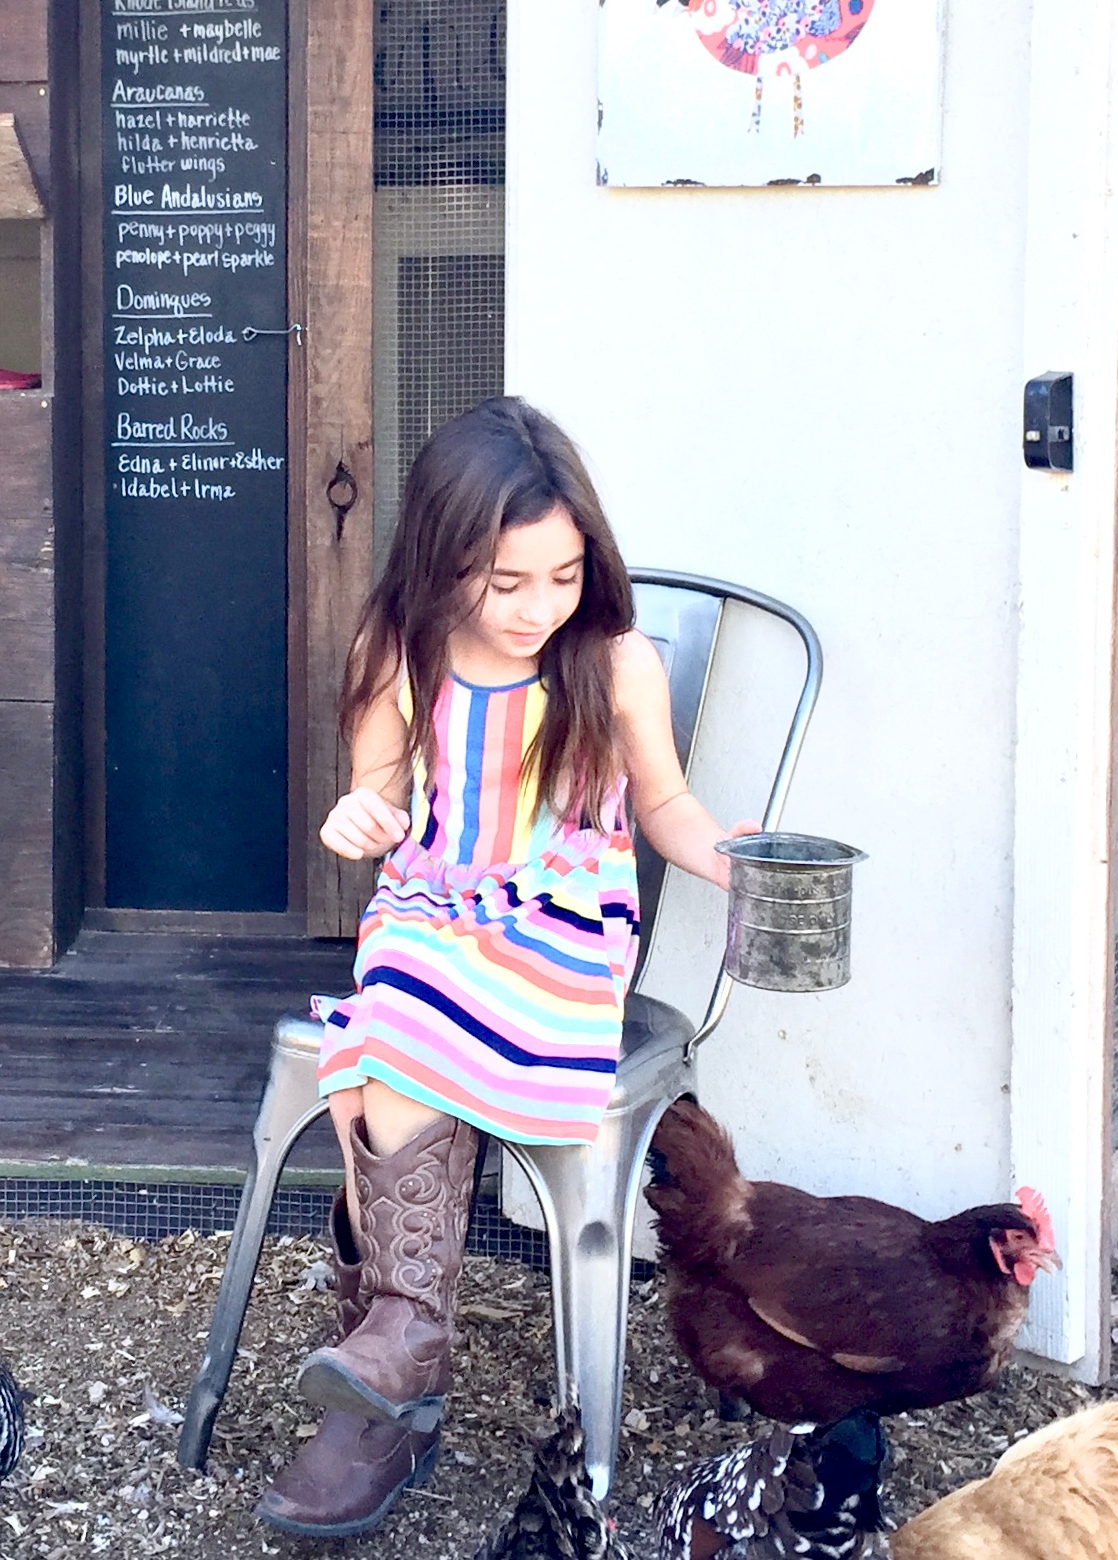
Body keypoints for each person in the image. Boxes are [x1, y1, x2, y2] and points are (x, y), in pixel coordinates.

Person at [256, 396, 754, 1540]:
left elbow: (665, 802)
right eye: (506, 582)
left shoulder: (614, 664)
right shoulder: (399, 650)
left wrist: (730, 857)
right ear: (443, 562)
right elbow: (379, 792)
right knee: (384, 1023)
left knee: (382, 1039)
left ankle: (392, 1363)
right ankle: (399, 1350)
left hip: (559, 921)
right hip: (431, 906)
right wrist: (358, 817)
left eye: (564, 576)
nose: (538, 608)